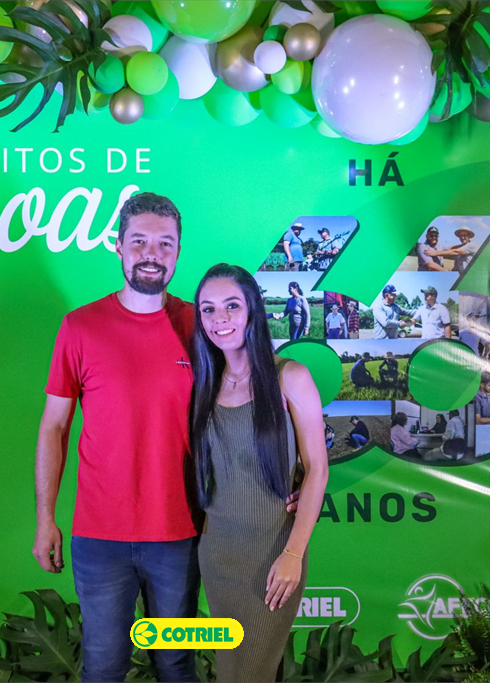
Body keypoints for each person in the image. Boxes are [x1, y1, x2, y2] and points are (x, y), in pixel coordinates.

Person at [35, 192, 200, 682]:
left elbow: (242, 408)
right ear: (118, 245)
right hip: (99, 537)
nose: (152, 253)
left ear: (178, 250)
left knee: (177, 665)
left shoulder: (200, 324)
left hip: (181, 534)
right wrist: (45, 518)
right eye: (140, 241)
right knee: (104, 667)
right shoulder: (79, 326)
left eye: (165, 243)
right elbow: (54, 426)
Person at [191, 263, 329, 682]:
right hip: (218, 556)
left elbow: (317, 469)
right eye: (208, 309)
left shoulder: (290, 376)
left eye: (232, 306)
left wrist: (293, 554)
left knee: (250, 673)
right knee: (234, 672)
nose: (220, 319)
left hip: (272, 557)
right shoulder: (204, 382)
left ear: (252, 308)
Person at [459, 293, 490, 357]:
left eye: (474, 319)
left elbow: (487, 344)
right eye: (471, 319)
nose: (473, 321)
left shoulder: (479, 333)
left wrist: (484, 356)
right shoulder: (462, 333)